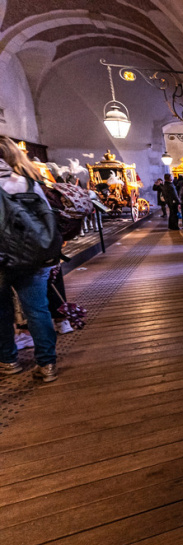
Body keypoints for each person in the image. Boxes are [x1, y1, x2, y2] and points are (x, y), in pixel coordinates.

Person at [0, 136, 59, 382]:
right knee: (37, 310)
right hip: (32, 254)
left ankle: (8, 360)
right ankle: (46, 364)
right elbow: (47, 216)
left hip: (1, 258)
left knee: (1, 311)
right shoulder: (29, 183)